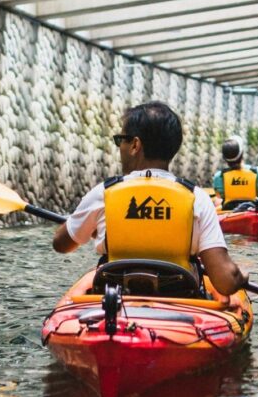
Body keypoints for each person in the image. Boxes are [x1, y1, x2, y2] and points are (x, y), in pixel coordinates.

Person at [53, 102, 247, 298]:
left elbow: (61, 244)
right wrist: (242, 276)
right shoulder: (197, 199)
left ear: (135, 145)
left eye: (121, 140)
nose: (119, 146)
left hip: (116, 299)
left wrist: (85, 223)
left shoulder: (103, 193)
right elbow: (225, 282)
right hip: (179, 303)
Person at [212, 138, 258, 211]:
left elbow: (219, 198)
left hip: (229, 216)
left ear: (224, 158)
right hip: (252, 214)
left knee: (216, 201)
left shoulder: (218, 177)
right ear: (242, 154)